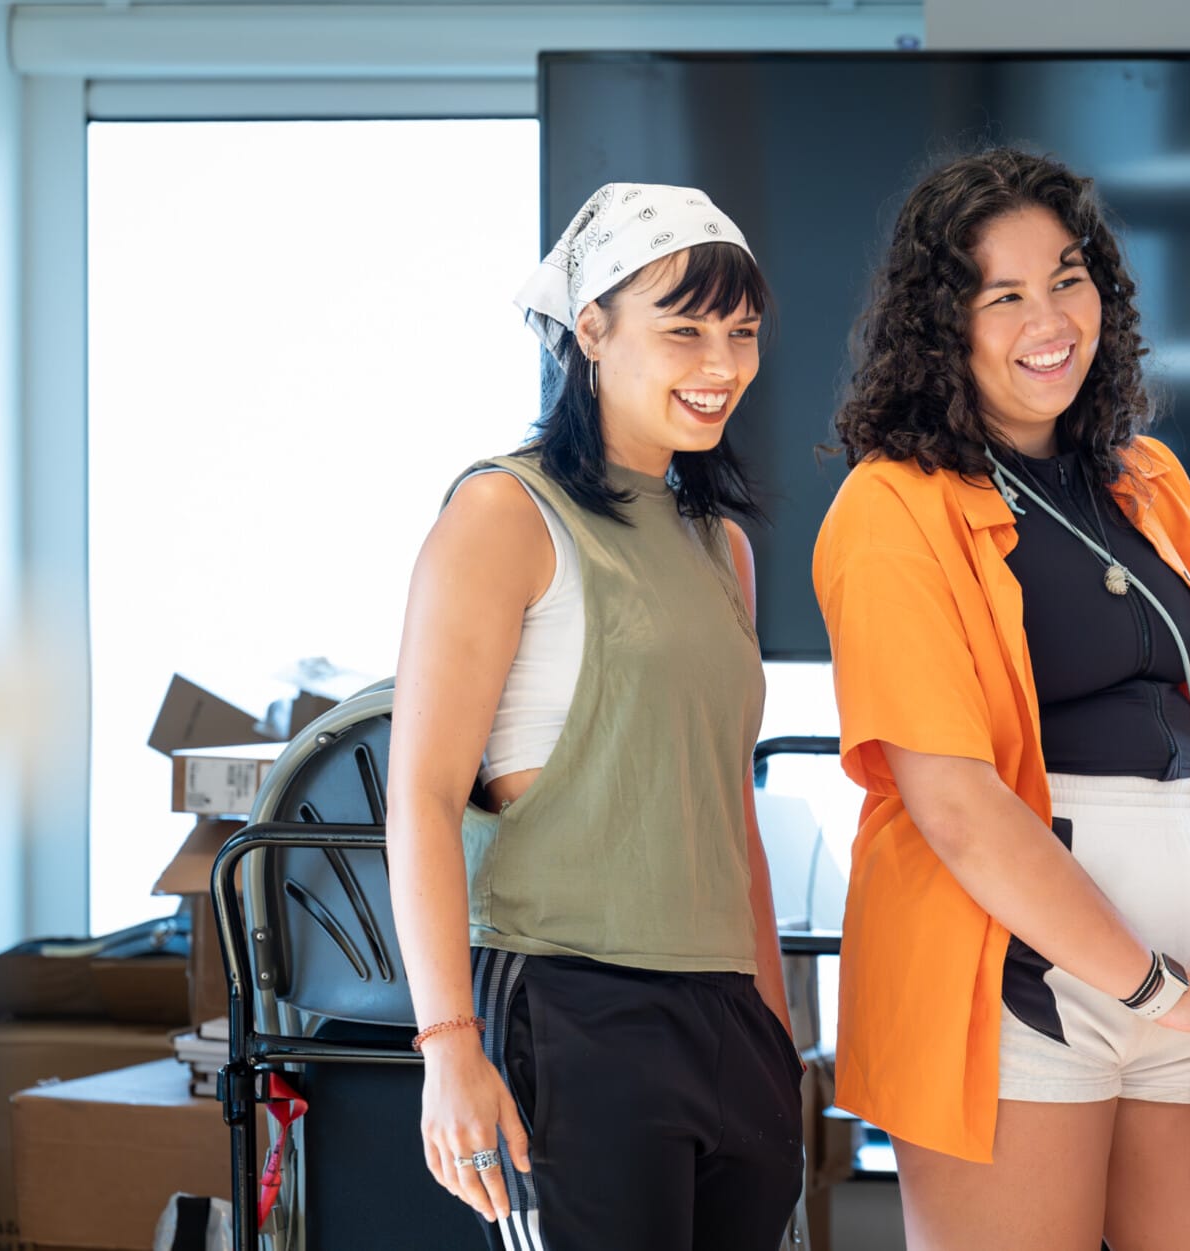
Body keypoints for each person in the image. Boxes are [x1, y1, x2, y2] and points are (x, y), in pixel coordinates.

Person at [812, 147, 1190, 1251]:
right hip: (1009, 991)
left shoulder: (1152, 480)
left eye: (1068, 276)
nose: (1049, 317)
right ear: (942, 325)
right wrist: (1151, 988)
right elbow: (955, 805)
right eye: (1003, 295)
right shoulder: (890, 506)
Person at [385, 183, 804, 1250]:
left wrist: (776, 1031)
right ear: (591, 331)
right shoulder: (502, 513)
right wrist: (448, 1047)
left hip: (727, 1021)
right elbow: (423, 795)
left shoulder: (725, 547)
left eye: (742, 333)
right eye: (684, 330)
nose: (721, 365)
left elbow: (728, 807)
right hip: (572, 1007)